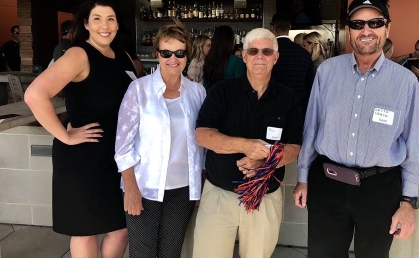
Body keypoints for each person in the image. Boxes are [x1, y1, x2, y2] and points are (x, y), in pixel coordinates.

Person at [293, 0, 419, 258]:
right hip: (328, 183)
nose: (366, 30)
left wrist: (408, 201)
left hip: (380, 189)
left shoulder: (405, 82)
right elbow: (312, 129)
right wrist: (303, 177)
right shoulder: (327, 72)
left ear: (387, 28)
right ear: (348, 31)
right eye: (358, 24)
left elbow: (412, 143)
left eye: (375, 22)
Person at [25, 0, 133, 258]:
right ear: (86, 24)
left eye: (110, 19)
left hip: (116, 157)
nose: (104, 25)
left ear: (118, 24)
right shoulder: (78, 54)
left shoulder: (123, 57)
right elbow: (34, 94)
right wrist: (64, 135)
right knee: (85, 231)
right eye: (97, 19)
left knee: (120, 227)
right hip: (82, 158)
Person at [193, 28, 303, 258]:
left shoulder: (288, 98)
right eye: (253, 51)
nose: (259, 56)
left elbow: (294, 148)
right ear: (243, 56)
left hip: (264, 197)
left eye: (266, 51)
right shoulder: (222, 92)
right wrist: (246, 146)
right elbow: (202, 135)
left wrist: (265, 161)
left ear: (276, 56)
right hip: (219, 195)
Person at [115, 22, 206, 258]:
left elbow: (201, 145)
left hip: (183, 190)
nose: (173, 59)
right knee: (142, 252)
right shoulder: (138, 90)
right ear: (157, 53)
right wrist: (131, 190)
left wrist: (200, 184)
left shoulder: (198, 92)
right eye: (166, 53)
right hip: (144, 187)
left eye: (179, 53)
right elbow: (123, 147)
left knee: (171, 252)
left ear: (188, 55)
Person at [270, 13, 314, 117]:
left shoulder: (268, 52)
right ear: (290, 27)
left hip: (272, 108)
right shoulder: (304, 54)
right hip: (298, 109)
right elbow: (310, 86)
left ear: (272, 27)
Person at [203, 25, 245, 91]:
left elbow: (206, 86)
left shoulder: (209, 59)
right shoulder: (237, 61)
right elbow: (240, 87)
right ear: (230, 41)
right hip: (231, 99)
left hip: (212, 99)